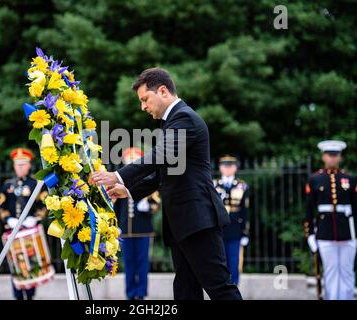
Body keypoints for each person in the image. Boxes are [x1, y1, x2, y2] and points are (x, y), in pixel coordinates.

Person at [91, 67, 242, 300]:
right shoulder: (170, 122)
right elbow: (165, 172)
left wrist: (119, 175)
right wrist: (129, 190)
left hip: (198, 219)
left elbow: (161, 155)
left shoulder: (184, 118)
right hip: (185, 222)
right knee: (185, 290)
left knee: (219, 288)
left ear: (162, 91)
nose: (143, 106)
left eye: (145, 99)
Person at [304, 140, 356, 300]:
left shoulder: (350, 178)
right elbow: (308, 210)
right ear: (323, 157)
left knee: (347, 271)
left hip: (348, 232)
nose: (332, 158)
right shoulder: (315, 179)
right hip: (325, 232)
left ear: (340, 157)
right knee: (331, 271)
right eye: (329, 155)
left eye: (335, 155)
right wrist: (310, 234)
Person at [0, 147, 47, 300]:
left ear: (29, 165)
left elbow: (45, 206)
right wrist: (8, 219)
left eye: (23, 164)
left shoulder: (36, 184)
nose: (20, 167)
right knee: (16, 265)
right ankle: (17, 296)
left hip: (30, 231)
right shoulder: (7, 185)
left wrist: (36, 218)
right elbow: (1, 206)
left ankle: (30, 296)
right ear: (13, 165)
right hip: (13, 232)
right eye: (17, 164)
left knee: (32, 263)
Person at [114, 147, 160, 300]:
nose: (130, 162)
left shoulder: (148, 179)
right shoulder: (120, 182)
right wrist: (116, 226)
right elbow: (116, 208)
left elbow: (155, 204)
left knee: (142, 262)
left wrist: (148, 208)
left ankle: (141, 293)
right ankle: (130, 293)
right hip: (125, 230)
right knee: (128, 263)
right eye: (128, 160)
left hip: (143, 229)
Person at [213, 155, 249, 285]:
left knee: (234, 260)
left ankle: (233, 288)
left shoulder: (242, 185)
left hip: (235, 228)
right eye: (224, 166)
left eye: (230, 166)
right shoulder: (214, 184)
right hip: (219, 228)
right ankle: (221, 288)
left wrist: (245, 232)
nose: (227, 168)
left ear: (235, 168)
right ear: (220, 168)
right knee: (220, 260)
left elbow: (245, 210)